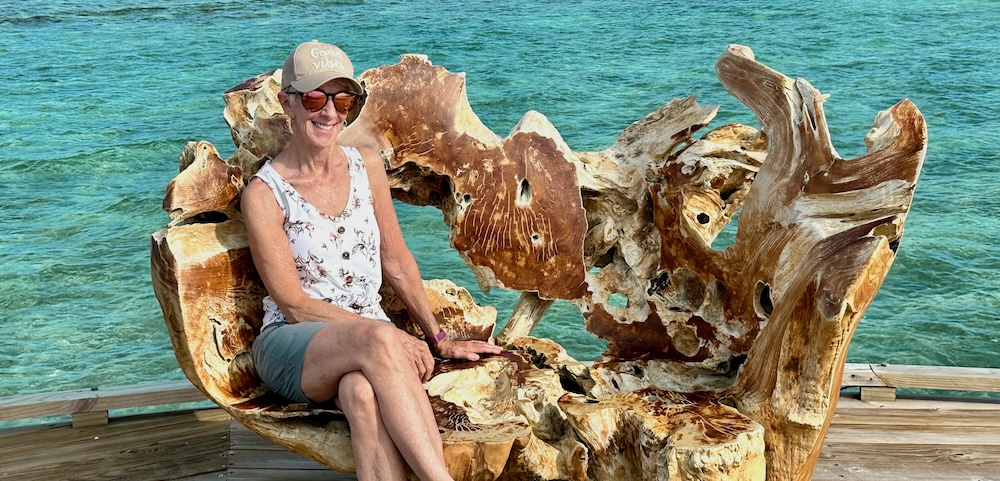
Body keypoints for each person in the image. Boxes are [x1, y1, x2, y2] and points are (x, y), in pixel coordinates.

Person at [242, 40, 503, 481]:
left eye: (343, 100)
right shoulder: (264, 194)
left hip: (366, 350)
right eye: (314, 98)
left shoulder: (366, 166)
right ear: (287, 103)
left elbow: (396, 261)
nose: (330, 113)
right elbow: (292, 303)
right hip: (294, 344)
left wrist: (438, 338)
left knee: (360, 393)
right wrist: (385, 335)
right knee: (381, 342)